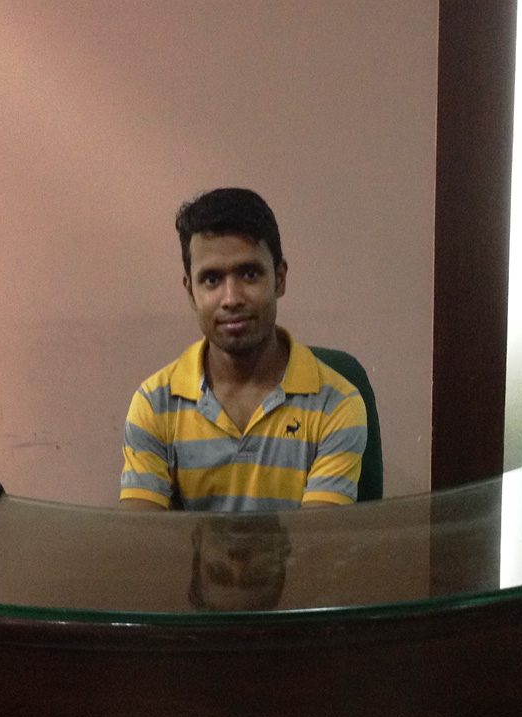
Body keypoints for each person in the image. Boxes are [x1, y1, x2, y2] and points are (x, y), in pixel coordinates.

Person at [120, 187, 367, 512]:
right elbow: (143, 538)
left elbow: (313, 542)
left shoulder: (335, 404)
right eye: (211, 279)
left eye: (249, 274)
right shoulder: (154, 404)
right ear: (190, 292)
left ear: (280, 279)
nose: (232, 298)